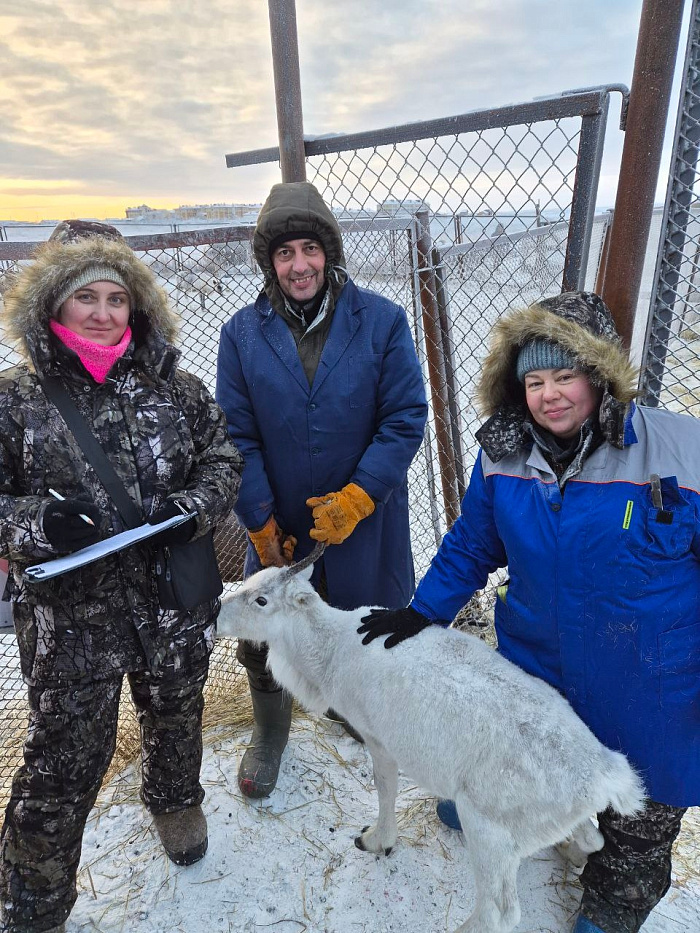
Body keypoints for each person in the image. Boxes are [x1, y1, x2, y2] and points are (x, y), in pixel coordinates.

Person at [358, 291, 699, 933]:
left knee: (639, 807)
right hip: (538, 662)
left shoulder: (680, 451)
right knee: (516, 755)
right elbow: (471, 546)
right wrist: (421, 612)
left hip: (651, 678)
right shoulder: (505, 455)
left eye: (565, 375)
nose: (550, 395)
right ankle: (514, 806)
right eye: (534, 381)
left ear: (600, 375)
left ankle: (612, 904)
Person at [0, 219, 243, 933]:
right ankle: (35, 904)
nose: (104, 313)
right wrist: (36, 525)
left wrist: (194, 504)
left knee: (177, 707)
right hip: (74, 621)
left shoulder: (176, 386)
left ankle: (174, 798)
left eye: (116, 297)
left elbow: (223, 458)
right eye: (86, 298)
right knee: (64, 759)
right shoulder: (16, 399)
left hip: (171, 600)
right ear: (55, 306)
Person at [216, 181, 428, 798]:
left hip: (366, 518)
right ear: (269, 263)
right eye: (285, 254)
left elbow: (404, 418)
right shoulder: (242, 335)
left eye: (310, 248)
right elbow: (236, 434)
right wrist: (258, 519)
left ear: (329, 253)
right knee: (269, 628)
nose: (299, 265)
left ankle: (364, 711)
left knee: (367, 620)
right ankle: (270, 728)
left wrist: (360, 496)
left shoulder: (381, 323)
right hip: (278, 516)